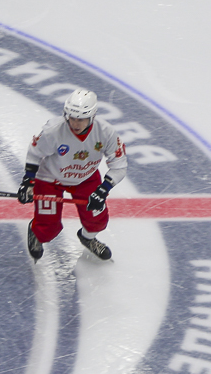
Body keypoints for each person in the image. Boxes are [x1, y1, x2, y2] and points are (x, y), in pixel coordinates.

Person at [17, 88, 128, 262]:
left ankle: (88, 238)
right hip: (50, 179)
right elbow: (35, 153)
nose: (75, 124)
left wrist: (103, 190)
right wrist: (28, 181)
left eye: (81, 119)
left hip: (86, 178)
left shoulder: (106, 132)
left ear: (92, 116)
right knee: (48, 229)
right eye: (72, 118)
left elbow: (119, 166)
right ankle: (35, 230)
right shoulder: (53, 130)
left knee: (97, 220)